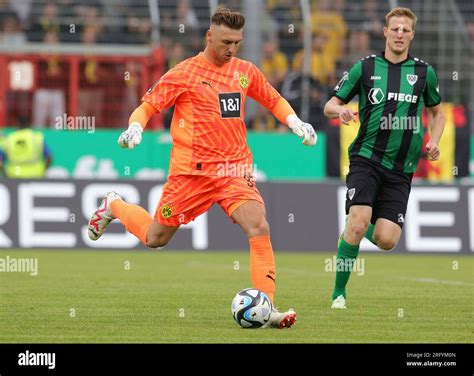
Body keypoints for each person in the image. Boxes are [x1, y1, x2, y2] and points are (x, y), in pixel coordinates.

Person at [87, 7, 316, 328]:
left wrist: (295, 121)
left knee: (259, 227)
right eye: (225, 42)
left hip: (233, 170)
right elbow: (148, 105)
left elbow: (273, 99)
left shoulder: (245, 71)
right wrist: (135, 127)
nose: (231, 48)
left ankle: (267, 309)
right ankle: (113, 204)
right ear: (210, 36)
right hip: (190, 175)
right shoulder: (184, 73)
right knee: (155, 238)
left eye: (236, 42)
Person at [323, 7, 445, 309]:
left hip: (402, 168)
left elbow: (438, 113)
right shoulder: (365, 68)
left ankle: (355, 228)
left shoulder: (423, 72)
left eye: (406, 30)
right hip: (367, 157)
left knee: (388, 239)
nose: (400, 34)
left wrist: (435, 140)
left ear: (412, 35)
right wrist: (342, 110)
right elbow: (329, 105)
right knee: (358, 222)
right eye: (395, 29)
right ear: (386, 32)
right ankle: (339, 292)